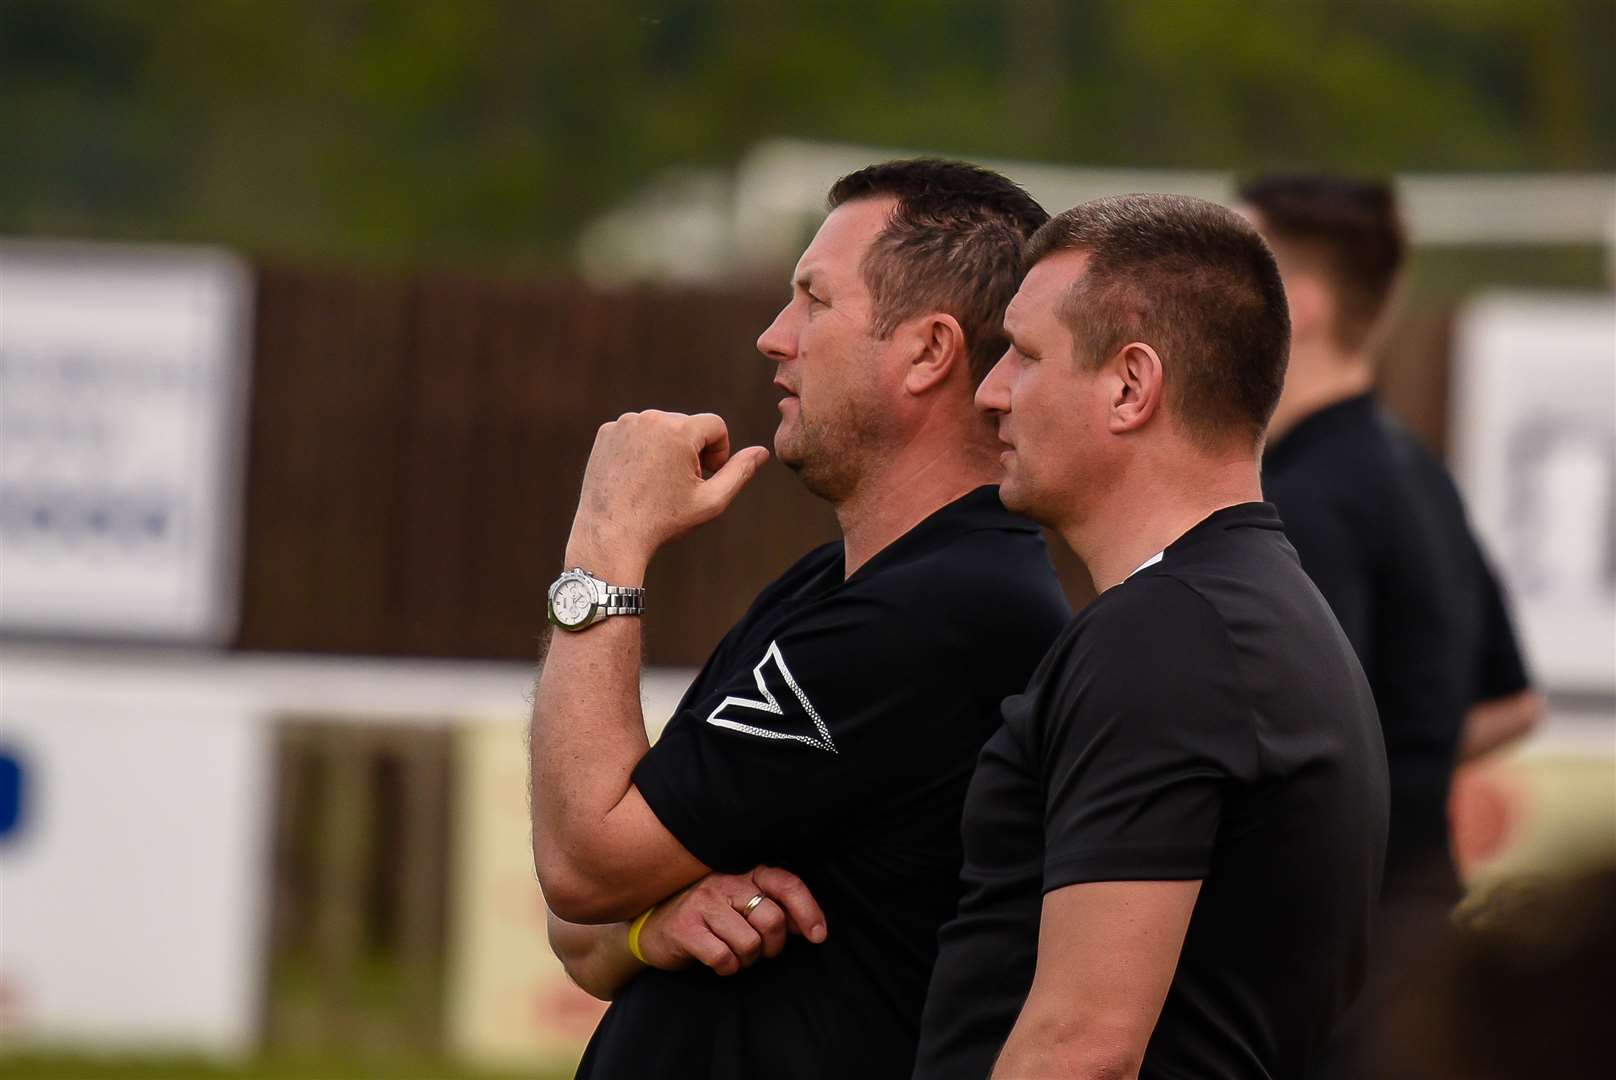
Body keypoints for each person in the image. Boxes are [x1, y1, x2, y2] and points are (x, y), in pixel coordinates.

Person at [531, 159, 1071, 1079]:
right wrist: (651, 926)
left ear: (928, 351)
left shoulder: (939, 616)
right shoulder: (834, 587)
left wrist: (605, 542)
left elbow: (584, 863)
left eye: (814, 301)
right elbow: (582, 922)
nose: (774, 338)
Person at [913, 194, 1389, 1079]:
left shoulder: (1171, 638)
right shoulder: (1242, 610)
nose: (987, 393)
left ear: (1131, 385)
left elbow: (1082, 1049)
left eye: (1023, 355)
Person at [1237, 172, 1544, 1075]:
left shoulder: (1303, 500)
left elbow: (1300, 750)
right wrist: (1408, 769)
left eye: (1230, 269)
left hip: (1327, 969)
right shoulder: (1413, 469)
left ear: (1304, 304)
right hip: (1418, 938)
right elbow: (1512, 704)